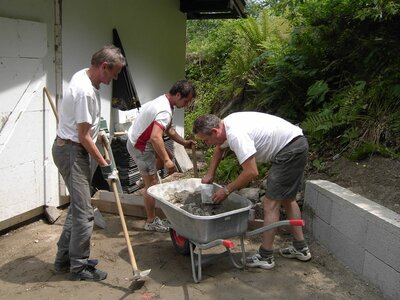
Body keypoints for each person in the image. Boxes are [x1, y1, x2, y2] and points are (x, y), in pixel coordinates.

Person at [192, 112, 312, 270]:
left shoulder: (236, 135)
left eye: (206, 140)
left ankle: (266, 256)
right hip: (295, 143)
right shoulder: (225, 124)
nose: (207, 144)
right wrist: (210, 174)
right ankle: (300, 247)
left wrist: (226, 190)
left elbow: (251, 172)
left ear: (215, 131)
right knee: (287, 199)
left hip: (290, 150)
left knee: (270, 204)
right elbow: (219, 149)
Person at [52, 45, 126, 281]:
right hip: (74, 152)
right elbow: (83, 137)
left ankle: (64, 259)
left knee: (77, 209)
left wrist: (100, 129)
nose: (113, 79)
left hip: (74, 148)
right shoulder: (84, 90)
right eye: (113, 73)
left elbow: (86, 126)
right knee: (84, 214)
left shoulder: (85, 74)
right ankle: (79, 267)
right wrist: (106, 166)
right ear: (104, 66)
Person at [126, 79, 196, 232]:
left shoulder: (166, 102)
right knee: (152, 185)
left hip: (141, 139)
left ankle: (142, 178)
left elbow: (169, 130)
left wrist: (184, 143)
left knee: (167, 156)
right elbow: (155, 137)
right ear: (178, 94)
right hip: (141, 146)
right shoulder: (164, 110)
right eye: (185, 101)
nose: (186, 105)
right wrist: (166, 161)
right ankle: (151, 221)